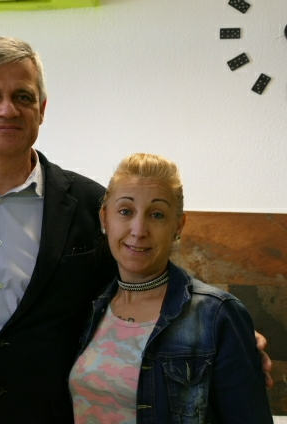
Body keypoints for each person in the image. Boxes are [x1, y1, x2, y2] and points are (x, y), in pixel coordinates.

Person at [0, 36, 273, 424]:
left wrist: (222, 331)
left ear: (41, 109)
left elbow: (138, 277)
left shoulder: (90, 202)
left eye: (23, 96)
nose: (7, 109)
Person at [69, 153, 273, 423]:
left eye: (157, 214)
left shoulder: (215, 315)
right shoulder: (86, 304)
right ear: (105, 218)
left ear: (178, 225)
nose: (138, 230)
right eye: (125, 211)